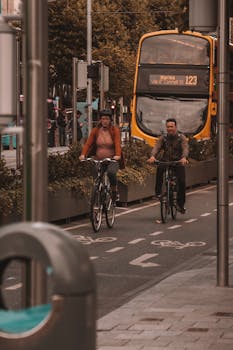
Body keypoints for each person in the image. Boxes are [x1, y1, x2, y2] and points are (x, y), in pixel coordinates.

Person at [79, 109, 122, 202]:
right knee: (96, 176)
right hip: (98, 159)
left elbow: (118, 143)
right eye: (103, 119)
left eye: (106, 119)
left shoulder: (115, 130)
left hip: (112, 159)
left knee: (111, 173)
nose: (104, 121)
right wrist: (83, 154)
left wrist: (117, 155)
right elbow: (88, 144)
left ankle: (114, 191)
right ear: (100, 120)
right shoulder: (96, 130)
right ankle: (97, 194)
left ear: (110, 120)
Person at [147, 118, 189, 214]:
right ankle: (158, 193)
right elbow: (156, 147)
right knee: (159, 171)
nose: (170, 128)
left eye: (171, 126)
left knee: (182, 182)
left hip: (178, 162)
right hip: (165, 161)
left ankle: (180, 204)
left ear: (175, 127)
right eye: (168, 127)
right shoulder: (163, 138)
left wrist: (184, 158)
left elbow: (185, 148)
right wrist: (153, 156)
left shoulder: (181, 137)